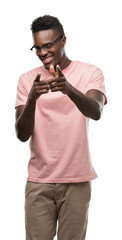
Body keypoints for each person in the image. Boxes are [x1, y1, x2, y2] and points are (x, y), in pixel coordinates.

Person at [15, 15, 107, 240]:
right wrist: (32, 99)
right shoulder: (28, 80)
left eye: (48, 45)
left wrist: (68, 88)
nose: (42, 52)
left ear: (63, 40)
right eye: (37, 47)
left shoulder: (90, 72)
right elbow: (21, 134)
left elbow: (96, 111)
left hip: (77, 180)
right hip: (39, 181)